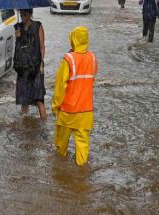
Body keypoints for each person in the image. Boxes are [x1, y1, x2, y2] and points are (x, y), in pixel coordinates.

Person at [52, 26, 98, 166]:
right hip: (86, 111)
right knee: (83, 146)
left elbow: (60, 86)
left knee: (61, 146)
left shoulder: (68, 59)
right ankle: (81, 175)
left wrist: (55, 106)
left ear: (73, 39)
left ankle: (60, 171)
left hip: (68, 111)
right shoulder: (93, 58)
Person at [14, 9, 47, 119]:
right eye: (21, 14)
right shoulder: (18, 27)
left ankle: (44, 124)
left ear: (30, 14)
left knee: (38, 98)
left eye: (25, 14)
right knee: (24, 100)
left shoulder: (38, 26)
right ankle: (25, 124)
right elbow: (18, 48)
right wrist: (18, 37)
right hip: (22, 67)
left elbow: (42, 46)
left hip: (35, 66)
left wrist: (41, 63)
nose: (23, 17)